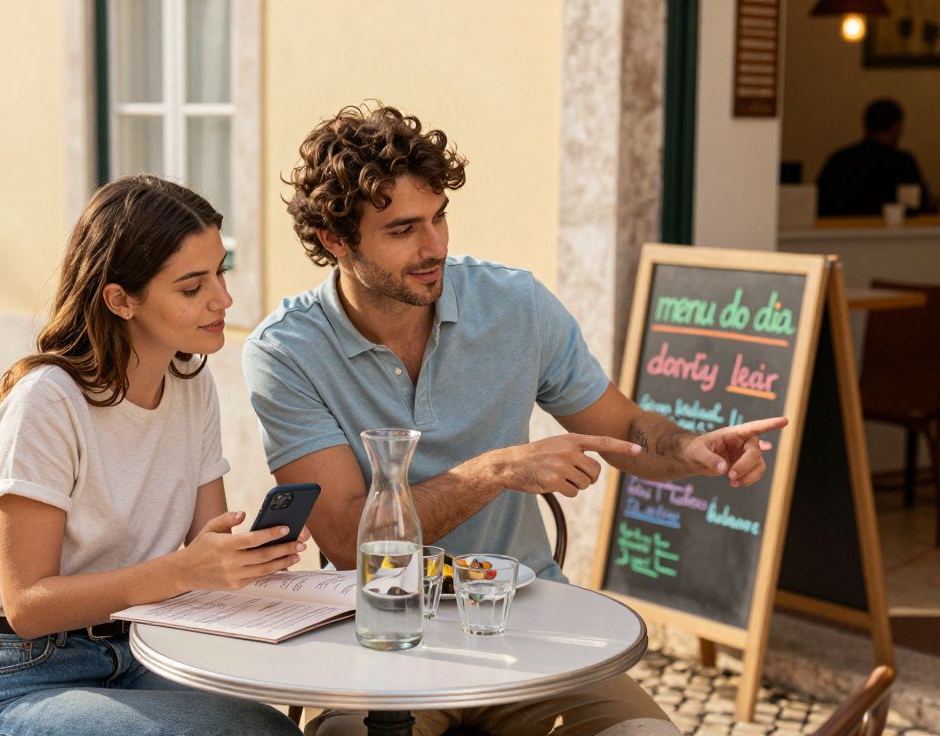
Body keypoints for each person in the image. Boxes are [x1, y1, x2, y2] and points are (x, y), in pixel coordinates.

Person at [242, 104, 788, 736]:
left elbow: (626, 430)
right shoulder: (286, 352)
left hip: (531, 623)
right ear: (337, 240)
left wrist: (693, 448)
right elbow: (345, 538)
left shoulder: (515, 304)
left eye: (440, 217)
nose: (435, 246)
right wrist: (499, 468)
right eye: (403, 230)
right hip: (382, 633)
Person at [0, 175, 303, 736]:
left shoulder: (190, 383)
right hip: (24, 675)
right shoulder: (47, 402)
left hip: (147, 650)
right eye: (192, 287)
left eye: (221, 272)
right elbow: (27, 604)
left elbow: (202, 543)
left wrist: (242, 557)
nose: (223, 299)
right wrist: (183, 571)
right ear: (120, 299)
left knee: (272, 727)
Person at [817, 98, 935, 217]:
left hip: (841, 231)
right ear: (896, 126)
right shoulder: (902, 162)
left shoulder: (840, 160)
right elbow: (917, 206)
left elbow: (820, 202)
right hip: (891, 233)